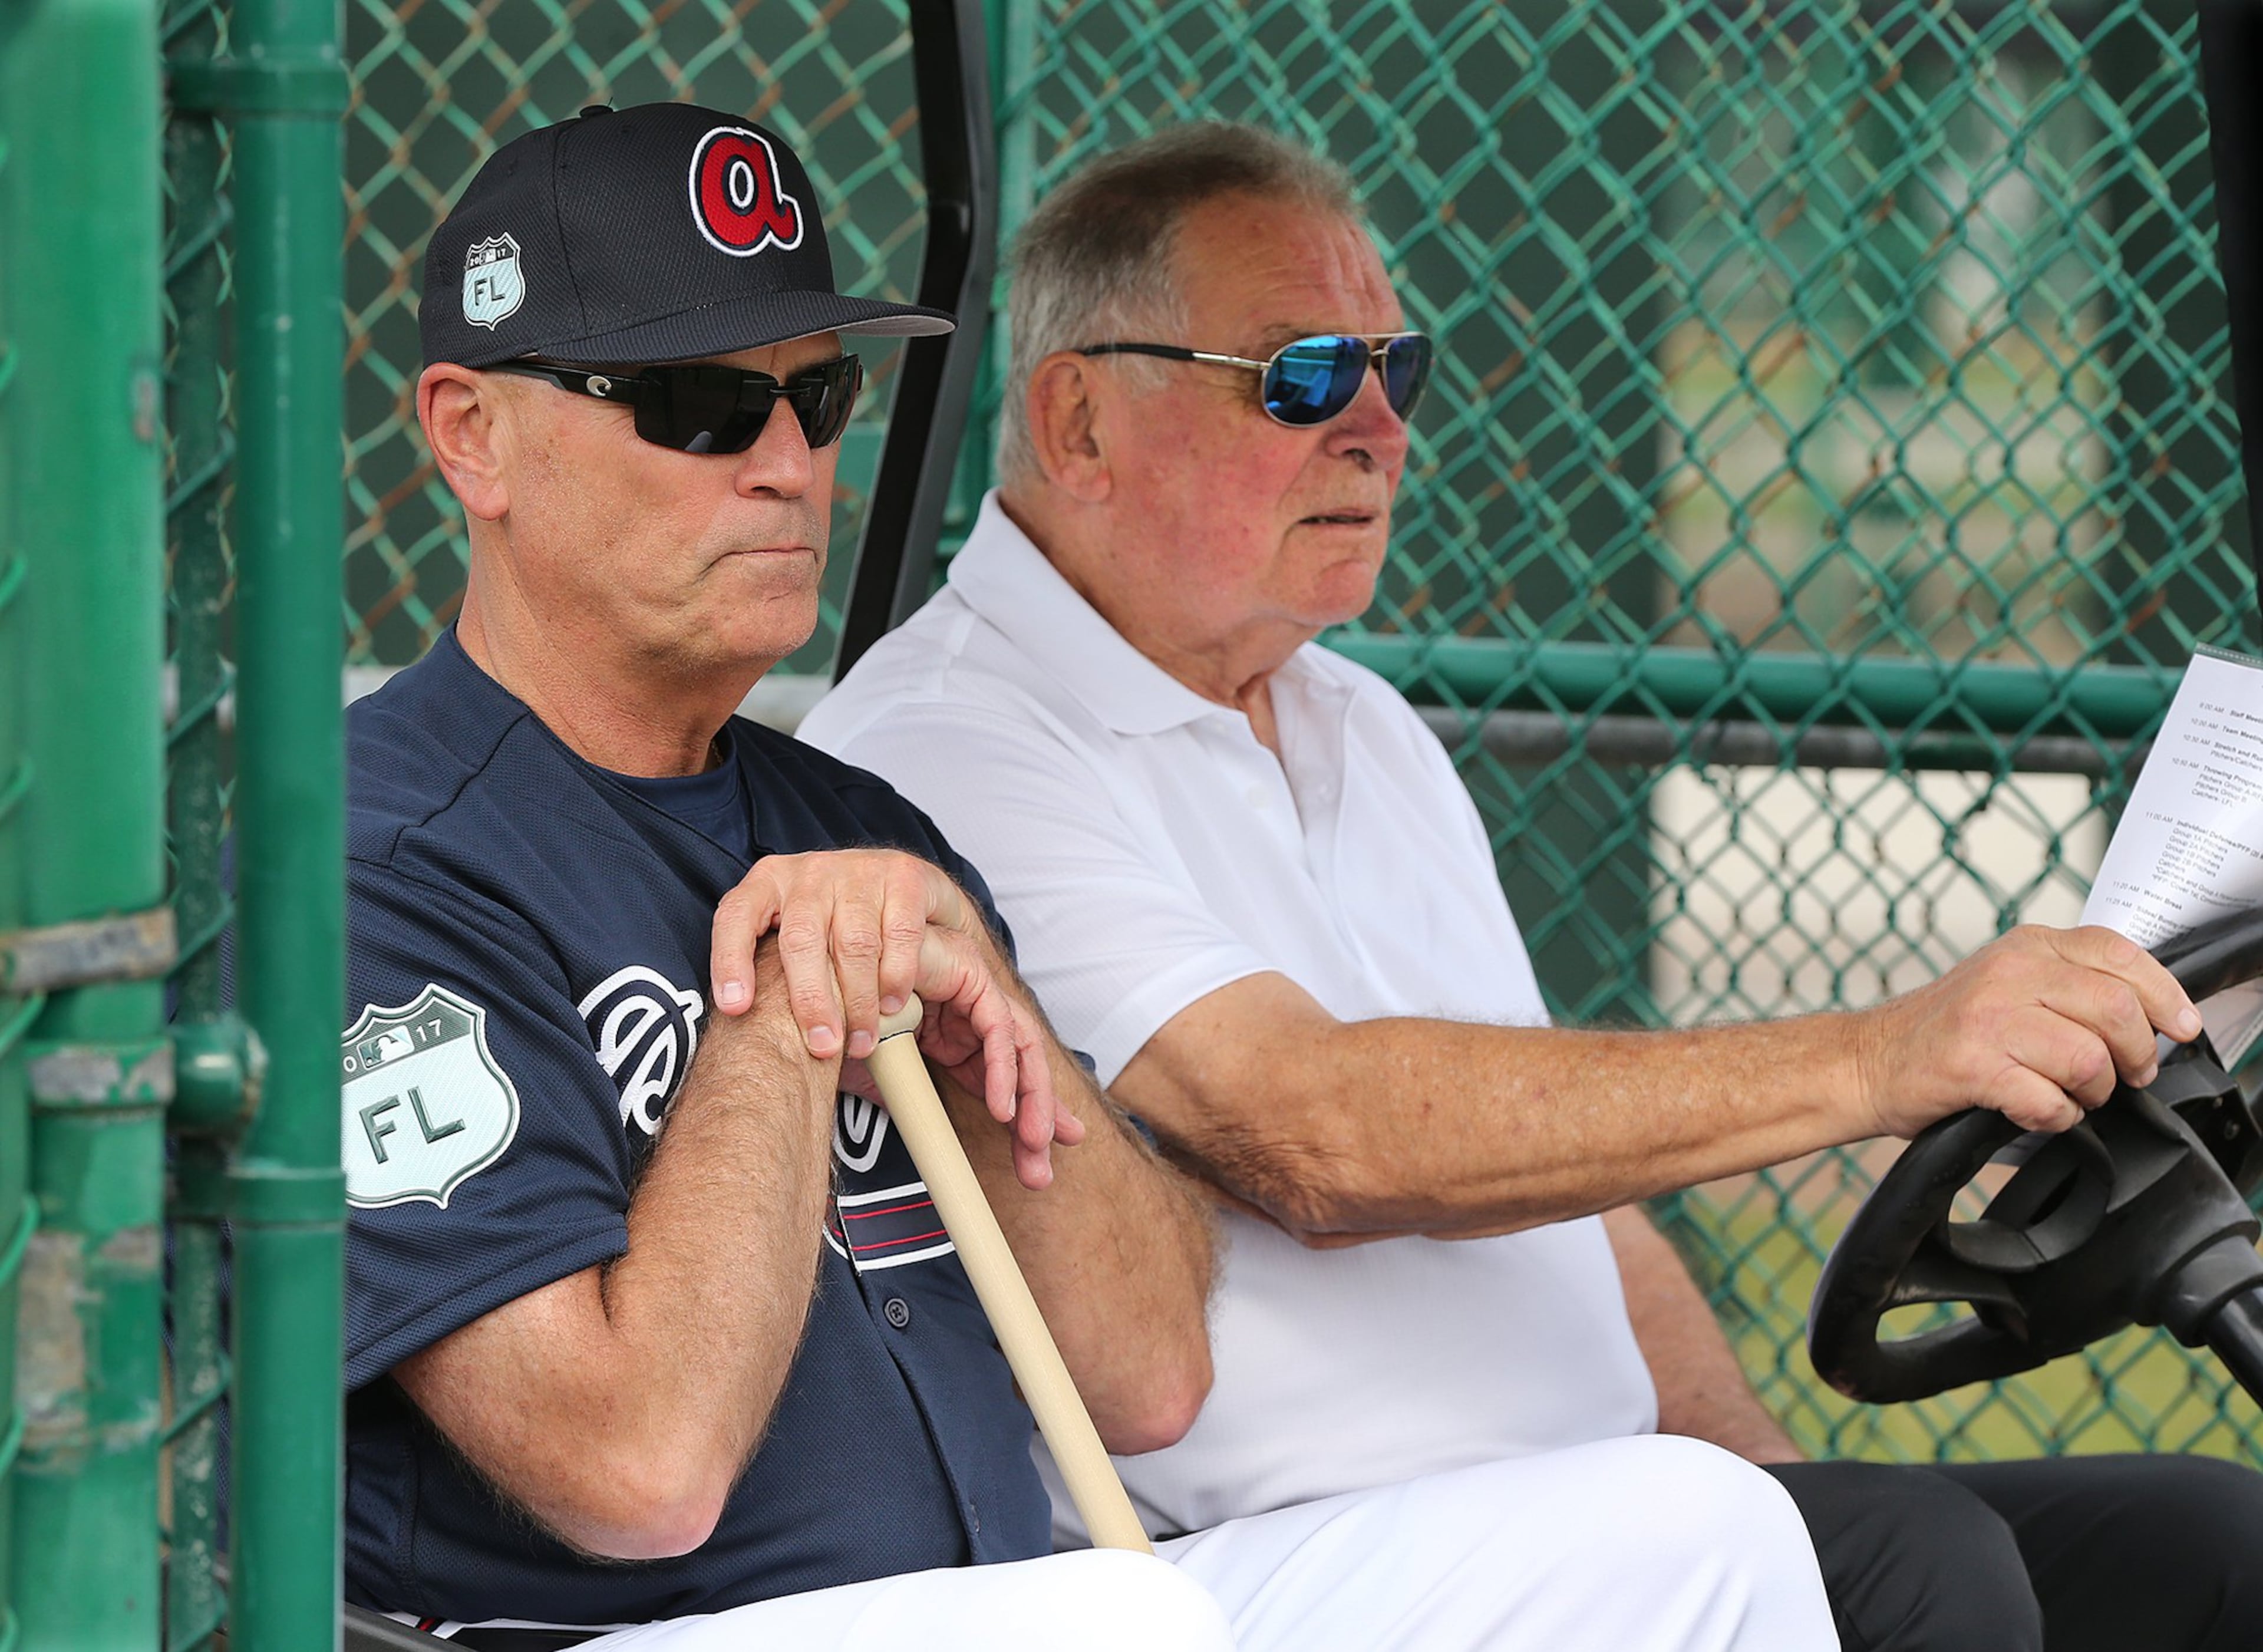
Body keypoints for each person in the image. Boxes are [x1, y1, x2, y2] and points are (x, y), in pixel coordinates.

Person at [344, 101, 1838, 1652]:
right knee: (1125, 1629)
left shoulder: (856, 819)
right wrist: (790, 1009)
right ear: (473, 432)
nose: (790, 465)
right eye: (706, 406)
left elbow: (1145, 1374)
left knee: (1697, 1533)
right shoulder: (378, 867)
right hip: (598, 1638)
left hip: (1004, 1605)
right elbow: (632, 1471)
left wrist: (996, 1026)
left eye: (819, 396)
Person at [800, 120, 2263, 1652]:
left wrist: (1762, 1472)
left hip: (1596, 1520)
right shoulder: (943, 751)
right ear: (1080, 419)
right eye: (1303, 375)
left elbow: (1580, 1216)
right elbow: (1314, 1129)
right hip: (1284, 1567)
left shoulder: (1360, 721)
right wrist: (1884, 1055)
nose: (1376, 425)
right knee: (1923, 1567)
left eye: (1399, 371)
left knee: (2208, 1544)